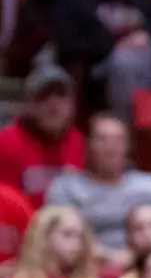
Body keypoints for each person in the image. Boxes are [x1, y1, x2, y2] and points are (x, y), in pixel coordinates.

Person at [44, 114, 151, 263]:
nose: (111, 147)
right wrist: (110, 257)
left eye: (118, 139)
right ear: (88, 145)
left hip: (147, 266)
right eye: (102, 139)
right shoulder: (66, 189)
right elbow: (58, 238)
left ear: (128, 146)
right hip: (84, 266)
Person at [1, 66, 89, 202]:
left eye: (61, 95)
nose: (53, 104)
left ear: (73, 105)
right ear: (28, 104)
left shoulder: (81, 143)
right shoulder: (7, 144)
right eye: (43, 96)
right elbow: (5, 204)